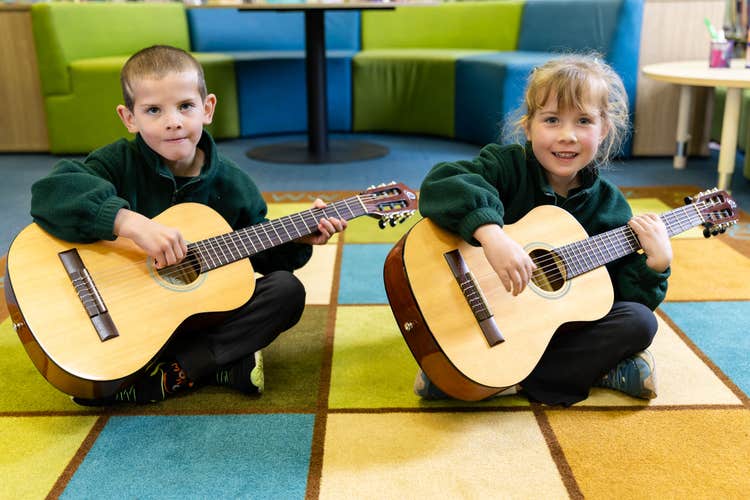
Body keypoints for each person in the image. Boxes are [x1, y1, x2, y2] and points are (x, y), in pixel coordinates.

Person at [30, 45, 347, 405]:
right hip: (130, 315)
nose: (173, 121)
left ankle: (174, 374)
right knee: (96, 381)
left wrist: (298, 240)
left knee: (286, 291)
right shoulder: (118, 162)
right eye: (153, 110)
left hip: (191, 318)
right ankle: (224, 363)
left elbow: (256, 261)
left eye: (185, 106)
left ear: (207, 108)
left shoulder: (234, 185)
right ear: (129, 117)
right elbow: (50, 192)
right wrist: (128, 222)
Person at [414, 53, 672, 406]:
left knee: (640, 323)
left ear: (604, 130)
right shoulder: (506, 166)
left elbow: (619, 301)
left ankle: (492, 378)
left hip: (549, 331)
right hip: (481, 310)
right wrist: (491, 235)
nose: (567, 136)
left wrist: (654, 266)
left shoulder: (610, 208)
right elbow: (442, 183)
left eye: (583, 121)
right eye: (551, 120)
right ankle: (597, 373)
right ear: (528, 126)